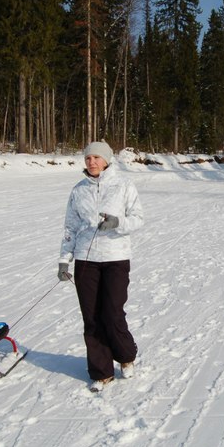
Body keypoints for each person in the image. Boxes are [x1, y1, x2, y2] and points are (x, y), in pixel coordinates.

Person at [58, 141, 144, 392]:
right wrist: (64, 260)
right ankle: (101, 371)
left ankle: (126, 355)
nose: (92, 162)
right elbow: (70, 228)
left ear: (107, 160)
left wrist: (118, 222)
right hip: (86, 260)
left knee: (113, 312)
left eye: (96, 157)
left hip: (116, 258)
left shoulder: (123, 185)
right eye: (88, 158)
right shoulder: (78, 191)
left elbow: (139, 219)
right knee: (92, 318)